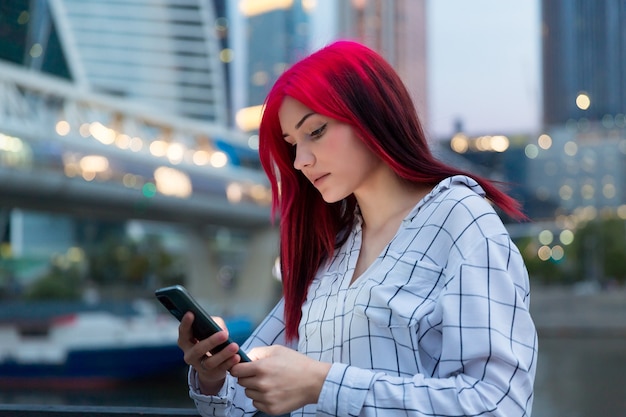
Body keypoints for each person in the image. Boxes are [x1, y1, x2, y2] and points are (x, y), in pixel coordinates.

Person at [177, 40, 538, 417]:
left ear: (371, 115)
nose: (301, 161)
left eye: (315, 131)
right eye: (292, 144)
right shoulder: (331, 247)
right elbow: (240, 403)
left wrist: (322, 384)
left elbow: (499, 405)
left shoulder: (461, 219)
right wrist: (214, 376)